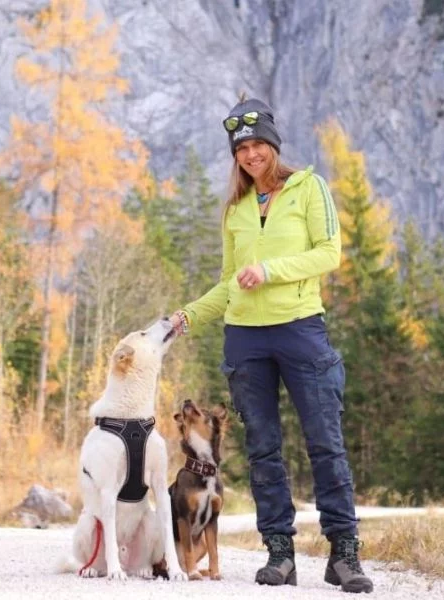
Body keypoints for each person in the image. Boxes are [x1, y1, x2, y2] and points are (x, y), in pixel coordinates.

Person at [169, 96, 373, 594]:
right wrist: (187, 316)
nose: (251, 154)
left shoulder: (309, 188)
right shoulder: (236, 210)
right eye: (242, 147)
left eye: (259, 144)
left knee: (325, 443)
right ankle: (279, 554)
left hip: (301, 329)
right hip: (245, 340)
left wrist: (271, 271)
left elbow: (329, 253)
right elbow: (227, 283)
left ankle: (343, 555)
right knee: (263, 451)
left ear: (274, 146)